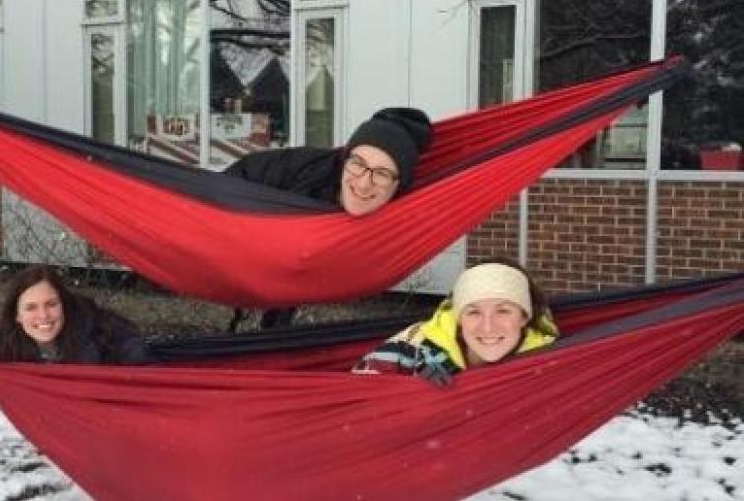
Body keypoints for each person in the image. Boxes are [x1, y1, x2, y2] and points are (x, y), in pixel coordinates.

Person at [224, 107, 434, 330]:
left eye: (382, 173)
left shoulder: (397, 223)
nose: (363, 184)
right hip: (232, 220)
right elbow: (225, 188)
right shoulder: (306, 172)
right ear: (344, 162)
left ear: (397, 186)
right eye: (358, 164)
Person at [352, 259, 559, 384]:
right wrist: (415, 392)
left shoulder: (551, 362)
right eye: (473, 312)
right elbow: (356, 394)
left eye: (503, 311)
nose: (487, 326)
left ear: (524, 317)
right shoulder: (411, 348)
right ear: (458, 317)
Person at [0, 265, 149, 364]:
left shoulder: (100, 339)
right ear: (16, 315)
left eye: (51, 304)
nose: (43, 315)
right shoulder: (5, 348)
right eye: (31, 308)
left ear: (64, 305)